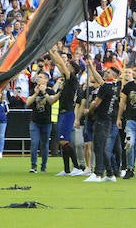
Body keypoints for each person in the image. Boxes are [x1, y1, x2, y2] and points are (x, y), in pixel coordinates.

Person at [49, 47, 84, 176]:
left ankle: (76, 167)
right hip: (62, 112)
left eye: (69, 65)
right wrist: (50, 52)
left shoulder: (72, 79)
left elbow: (61, 64)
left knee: (64, 141)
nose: (65, 66)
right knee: (61, 141)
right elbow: (59, 64)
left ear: (73, 69)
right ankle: (67, 169)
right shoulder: (67, 81)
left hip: (68, 113)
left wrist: (55, 51)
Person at [85, 63, 121, 182]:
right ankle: (110, 174)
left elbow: (96, 103)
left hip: (101, 119)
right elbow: (100, 80)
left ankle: (98, 173)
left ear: (114, 75)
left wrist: (88, 111)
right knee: (104, 147)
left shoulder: (105, 87)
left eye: (108, 72)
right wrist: (91, 66)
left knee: (98, 147)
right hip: (110, 119)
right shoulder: (115, 86)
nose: (105, 73)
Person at [118, 63, 136, 179]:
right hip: (130, 120)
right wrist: (119, 117)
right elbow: (122, 103)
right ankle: (130, 168)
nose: (133, 73)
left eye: (135, 71)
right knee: (129, 144)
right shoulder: (128, 86)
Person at [26, 70, 58, 173]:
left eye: (41, 77)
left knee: (44, 145)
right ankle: (33, 165)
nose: (38, 79)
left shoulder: (50, 91)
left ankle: (43, 166)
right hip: (35, 121)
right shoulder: (34, 90)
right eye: (38, 77)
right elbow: (27, 103)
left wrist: (44, 92)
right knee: (34, 143)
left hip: (46, 122)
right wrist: (35, 94)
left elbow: (51, 101)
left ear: (46, 79)